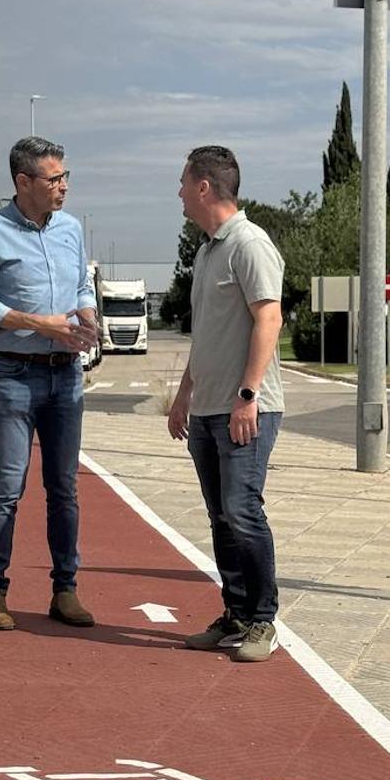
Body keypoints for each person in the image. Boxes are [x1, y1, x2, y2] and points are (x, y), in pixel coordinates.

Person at [0, 136, 100, 631]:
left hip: (66, 376)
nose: (63, 186)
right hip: (13, 374)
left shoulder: (69, 230)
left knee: (64, 489)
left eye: (65, 176)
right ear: (24, 183)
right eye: (54, 178)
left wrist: (87, 315)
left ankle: (66, 590)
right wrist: (40, 323)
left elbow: (82, 284)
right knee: (7, 486)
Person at [167, 145, 286, 663]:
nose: (178, 193)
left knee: (242, 509)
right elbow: (207, 336)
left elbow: (269, 319)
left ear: (204, 187)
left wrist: (248, 396)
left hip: (245, 408)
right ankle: (235, 613)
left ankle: (263, 620)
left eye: (183, 182)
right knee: (220, 516)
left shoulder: (249, 244)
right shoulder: (206, 251)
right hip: (208, 409)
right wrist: (183, 396)